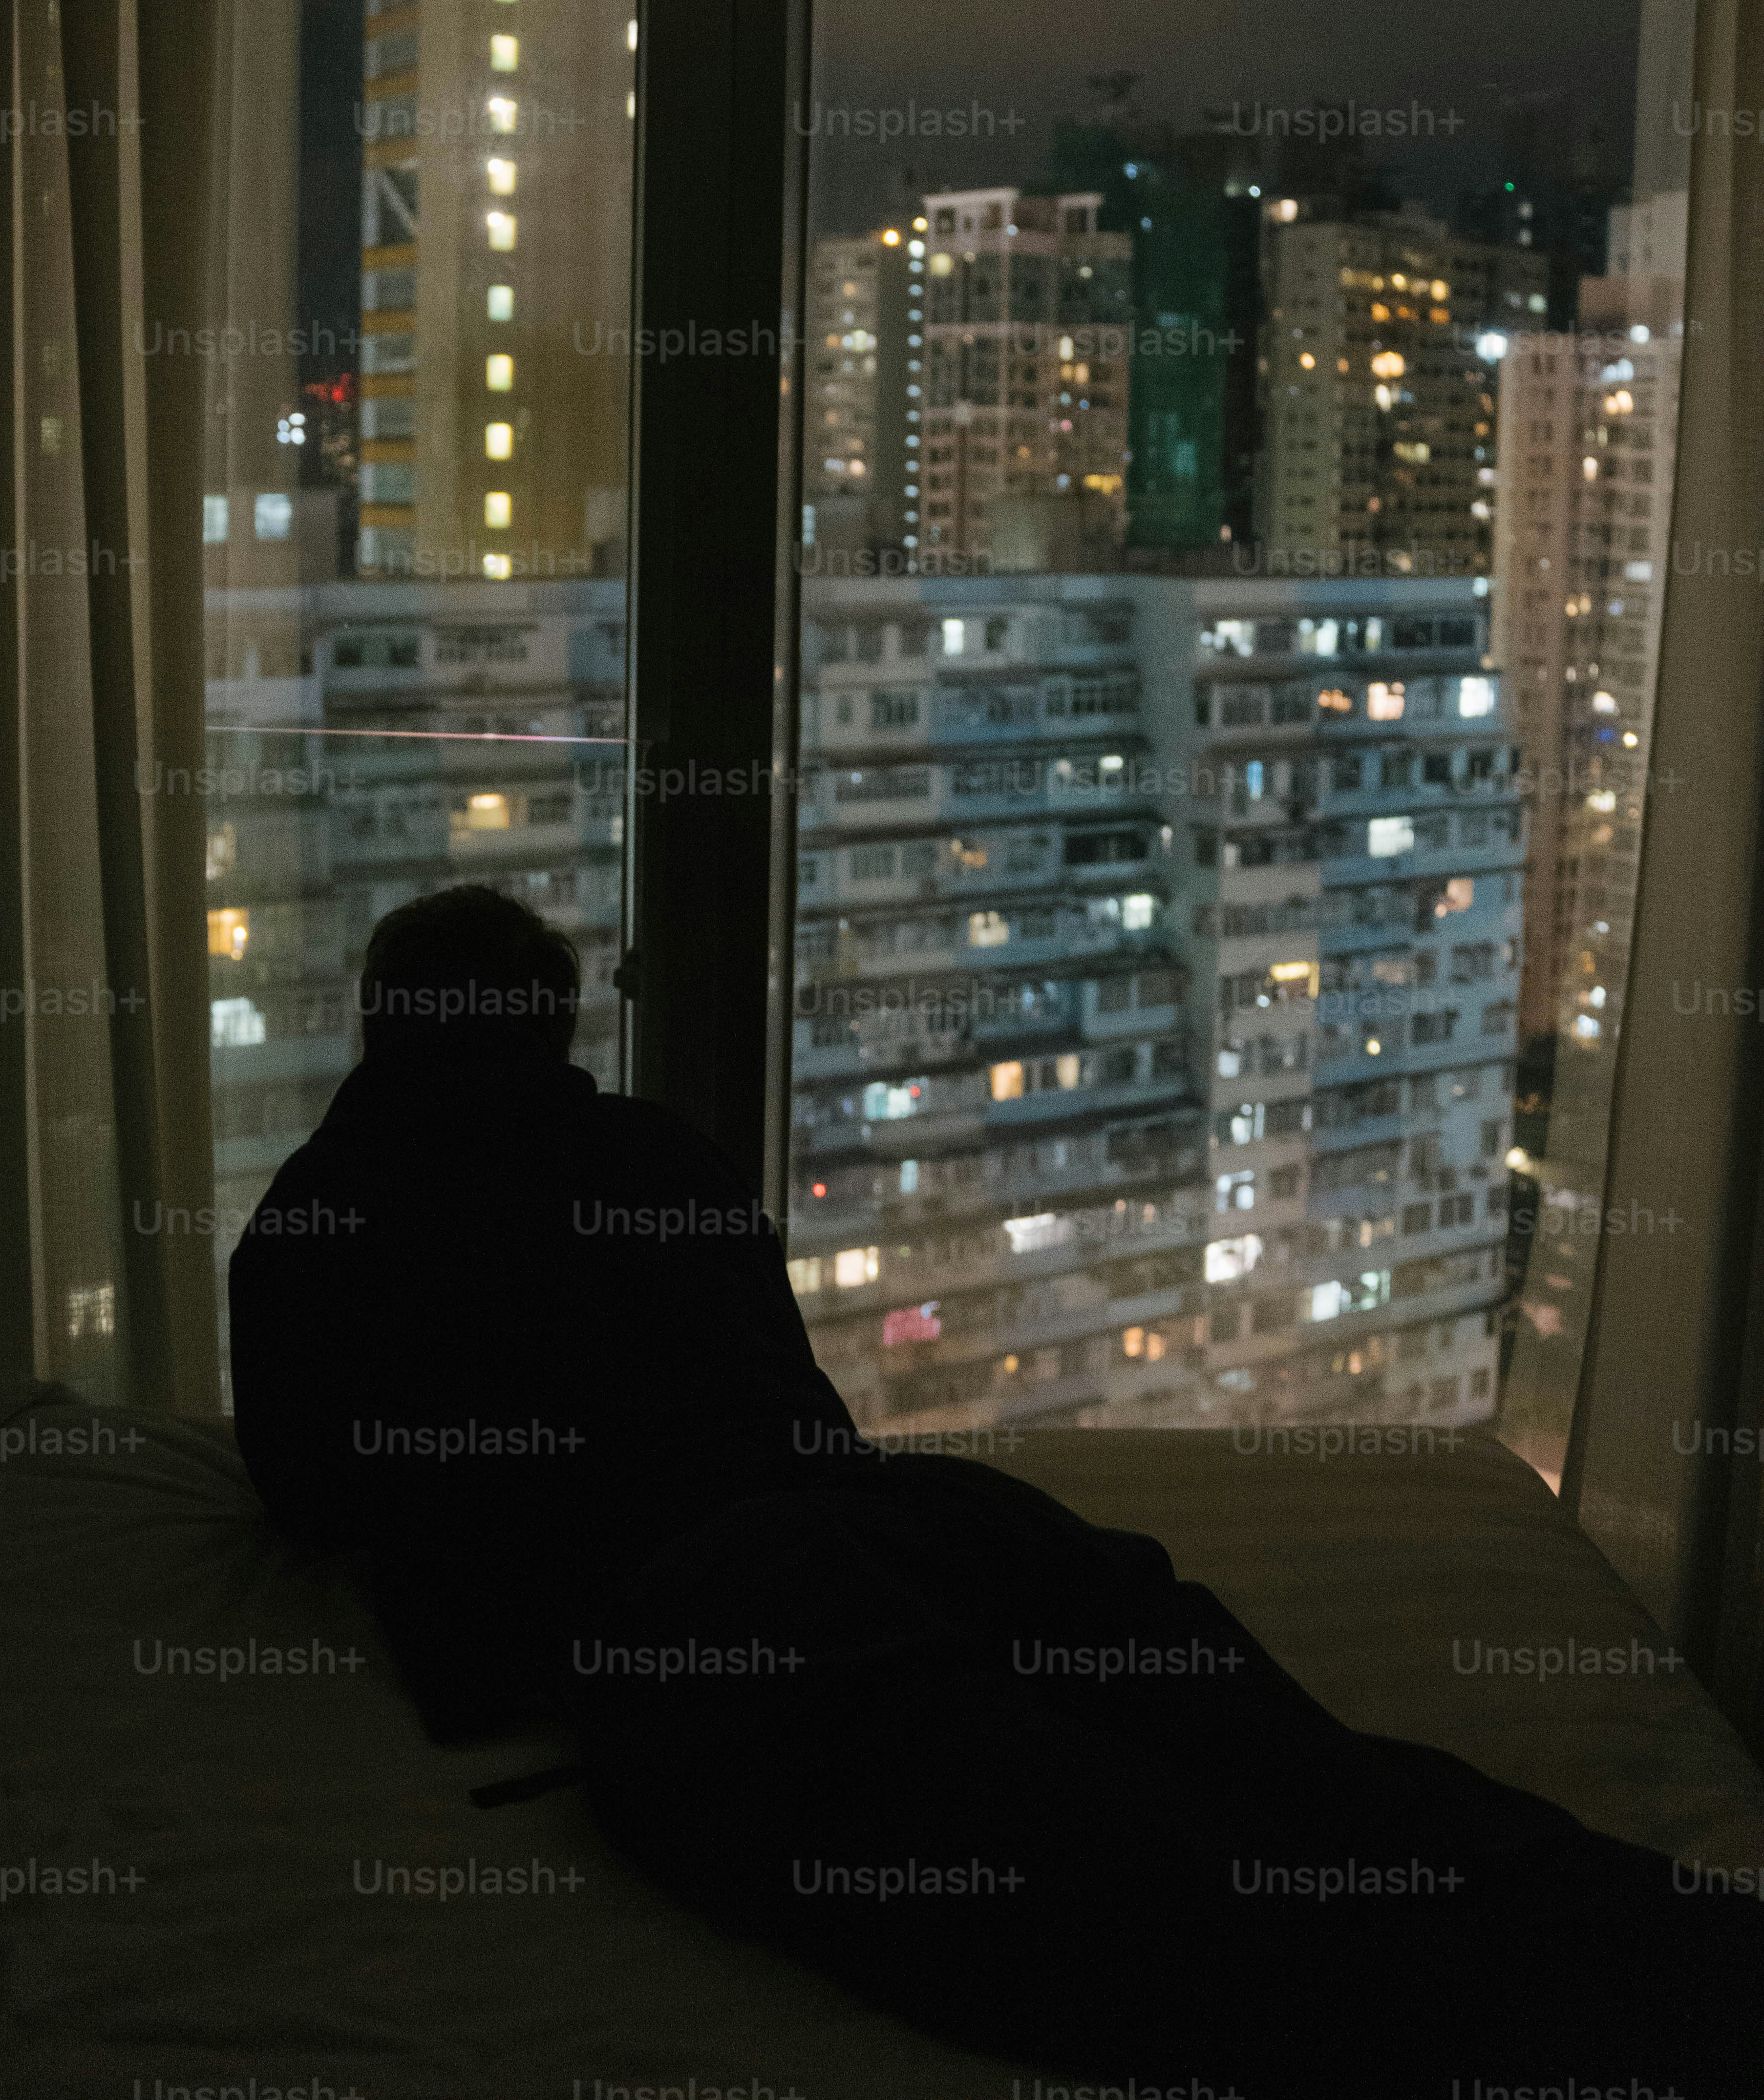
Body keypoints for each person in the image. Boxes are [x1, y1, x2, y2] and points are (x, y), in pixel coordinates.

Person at [230, 885, 1760, 2099]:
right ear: (552, 1030)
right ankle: (1691, 1957)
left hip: (703, 1632)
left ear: (383, 1031)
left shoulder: (311, 1226)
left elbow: (304, 1494)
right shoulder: (658, 1158)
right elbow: (782, 1396)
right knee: (1305, 1773)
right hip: (921, 1524)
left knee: (1163, 1919)